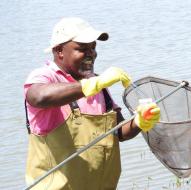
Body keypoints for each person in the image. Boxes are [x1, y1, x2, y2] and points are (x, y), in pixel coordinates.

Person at [24, 17, 160, 190]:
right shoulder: (45, 77)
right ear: (59, 51)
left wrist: (140, 121)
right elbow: (38, 97)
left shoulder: (97, 84)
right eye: (82, 48)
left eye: (93, 47)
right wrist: (93, 84)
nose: (92, 53)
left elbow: (118, 133)